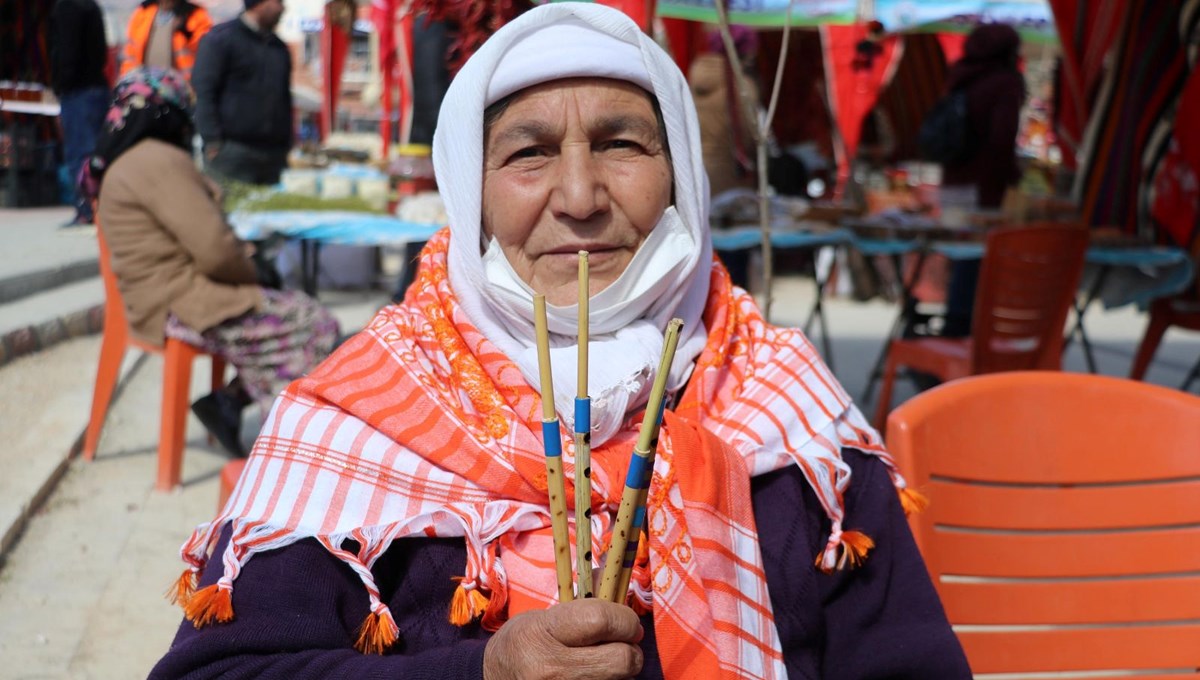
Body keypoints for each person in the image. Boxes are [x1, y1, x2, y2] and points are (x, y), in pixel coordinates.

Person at [149, 5, 971, 678]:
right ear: (469, 191)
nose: (579, 197)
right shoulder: (366, 416)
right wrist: (481, 671)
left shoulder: (783, 407)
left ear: (680, 169)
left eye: (621, 144)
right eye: (529, 153)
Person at [82, 68, 339, 458]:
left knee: (282, 313)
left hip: (154, 296)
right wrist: (254, 271)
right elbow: (214, 249)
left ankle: (231, 404)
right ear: (169, 114)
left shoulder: (127, 162)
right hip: (180, 302)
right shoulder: (159, 160)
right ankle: (289, 443)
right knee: (315, 322)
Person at [191, 0, 293, 187]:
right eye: (277, 2)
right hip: (231, 153)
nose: (283, 9)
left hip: (272, 157)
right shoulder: (221, 40)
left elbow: (284, 99)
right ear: (259, 4)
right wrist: (213, 142)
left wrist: (285, 145)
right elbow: (205, 93)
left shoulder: (278, 49)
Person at [50, 0, 110, 228]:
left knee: (80, 154)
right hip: (95, 88)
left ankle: (88, 210)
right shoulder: (90, 6)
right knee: (95, 153)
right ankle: (98, 208)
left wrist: (59, 86)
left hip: (78, 92)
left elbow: (67, 53)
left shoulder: (67, 7)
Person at [119, 0, 212, 83]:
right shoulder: (143, 11)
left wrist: (183, 30)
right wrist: (127, 79)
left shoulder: (195, 15)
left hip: (183, 88)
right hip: (144, 86)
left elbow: (205, 54)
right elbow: (130, 53)